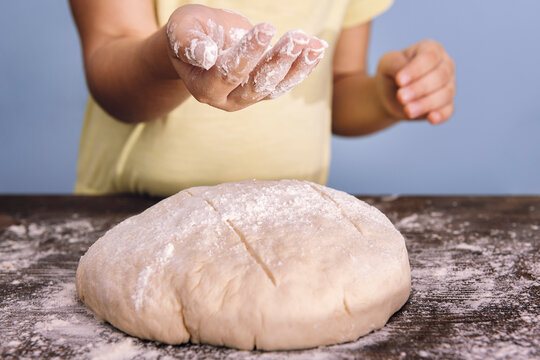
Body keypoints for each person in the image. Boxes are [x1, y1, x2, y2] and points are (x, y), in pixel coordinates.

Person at [69, 0, 455, 196]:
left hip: (289, 215)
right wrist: (170, 55)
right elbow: (111, 75)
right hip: (130, 212)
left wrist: (383, 98)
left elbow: (336, 87)